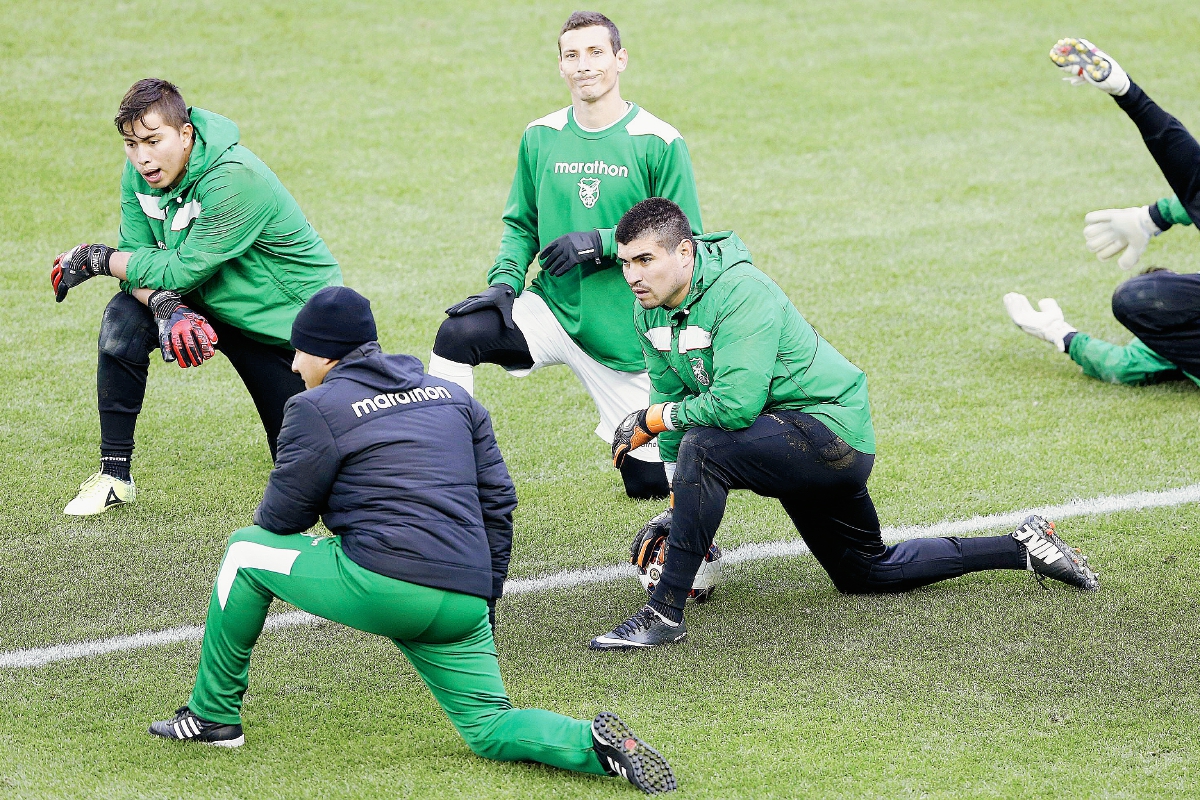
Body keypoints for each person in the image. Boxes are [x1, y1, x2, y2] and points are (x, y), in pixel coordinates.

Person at [147, 287, 677, 795]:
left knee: (244, 552)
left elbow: (280, 522)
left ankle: (211, 716)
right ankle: (594, 744)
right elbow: (498, 503)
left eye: (300, 350)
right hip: (464, 596)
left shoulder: (315, 409)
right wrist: (485, 597)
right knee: (488, 726)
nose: (292, 365)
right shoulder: (452, 396)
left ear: (328, 356)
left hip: (387, 586)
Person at [589, 199, 1100, 650]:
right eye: (625, 263)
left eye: (644, 260)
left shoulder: (742, 291)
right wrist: (679, 503)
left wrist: (653, 419)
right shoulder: (648, 312)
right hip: (786, 440)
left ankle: (664, 612)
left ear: (684, 253)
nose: (633, 275)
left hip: (831, 438)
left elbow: (733, 407)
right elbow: (673, 402)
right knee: (865, 572)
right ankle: (1023, 545)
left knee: (706, 444)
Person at [430, 11, 703, 500]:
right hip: (552, 311)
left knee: (647, 485)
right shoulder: (540, 136)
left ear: (620, 59)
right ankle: (446, 472)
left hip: (627, 336)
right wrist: (504, 284)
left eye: (596, 52)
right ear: (560, 66)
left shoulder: (659, 141)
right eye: (572, 55)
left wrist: (600, 243)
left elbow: (686, 238)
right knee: (457, 335)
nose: (584, 65)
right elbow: (521, 224)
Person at [51, 78, 342, 516]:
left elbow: (182, 267)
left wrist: (98, 258)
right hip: (203, 298)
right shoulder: (140, 174)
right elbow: (138, 262)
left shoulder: (235, 178)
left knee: (312, 480)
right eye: (130, 143)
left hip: (284, 324)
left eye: (152, 140)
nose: (141, 156)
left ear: (185, 134)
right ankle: (114, 476)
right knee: (122, 320)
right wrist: (164, 304)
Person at [1004, 38, 1200, 387]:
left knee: (1132, 298)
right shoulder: (1173, 345)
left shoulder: (1170, 346)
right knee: (1132, 298)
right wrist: (1154, 216)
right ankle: (1126, 91)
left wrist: (1062, 335)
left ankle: (1126, 91)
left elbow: (1121, 364)